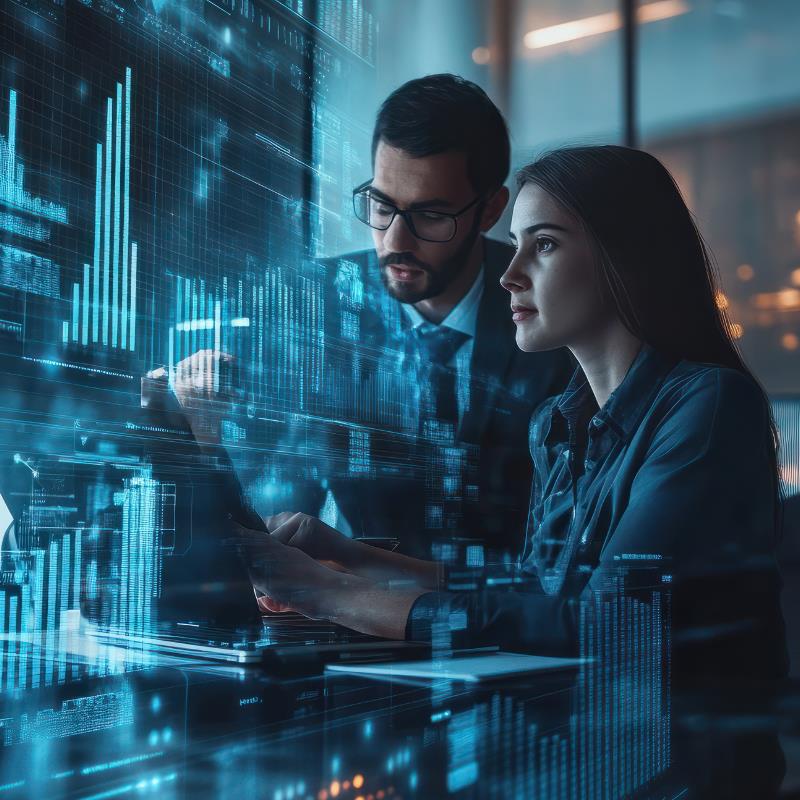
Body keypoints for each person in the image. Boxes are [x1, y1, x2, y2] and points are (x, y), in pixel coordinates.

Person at [233, 145, 789, 683]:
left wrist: (326, 593)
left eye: (543, 245)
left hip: (677, 741)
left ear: (625, 257)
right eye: (516, 244)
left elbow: (609, 625)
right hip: (593, 729)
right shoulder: (556, 424)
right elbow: (535, 591)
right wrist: (344, 555)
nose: (510, 274)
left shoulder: (709, 405)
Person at [162, 75, 572, 561]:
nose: (395, 241)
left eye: (430, 215)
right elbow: (267, 495)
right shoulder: (315, 304)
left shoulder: (555, 312)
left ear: (489, 211)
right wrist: (203, 442)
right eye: (381, 205)